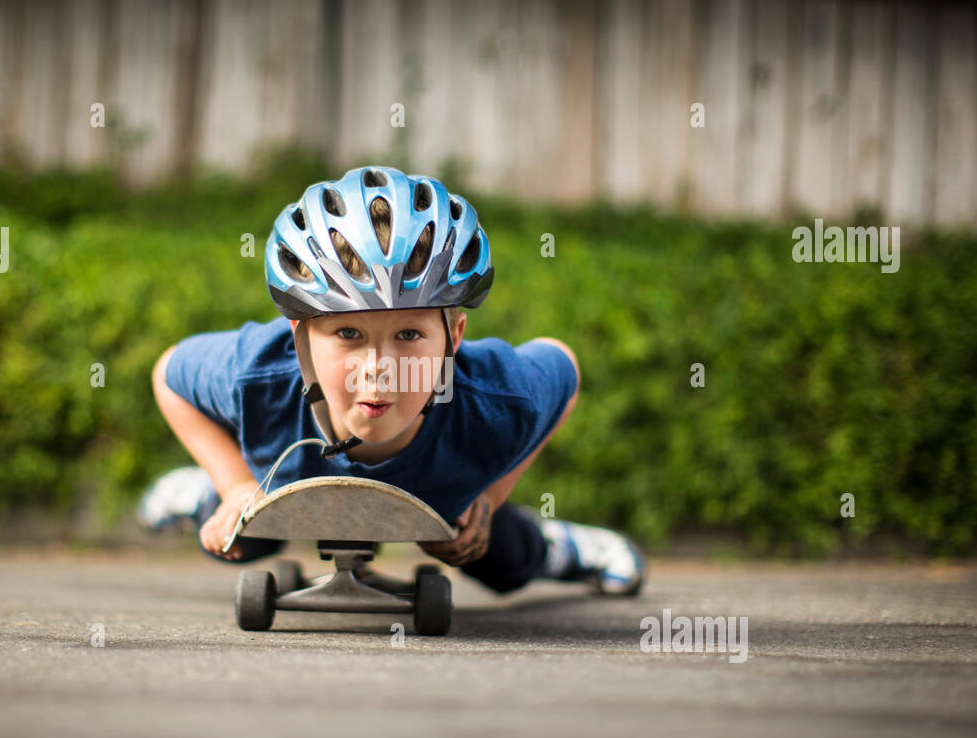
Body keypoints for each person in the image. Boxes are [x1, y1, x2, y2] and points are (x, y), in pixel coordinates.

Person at [139, 166, 644, 596]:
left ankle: (566, 548)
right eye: (348, 333)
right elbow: (168, 376)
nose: (377, 367)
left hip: (435, 495)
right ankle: (203, 492)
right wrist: (234, 485)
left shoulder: (496, 396)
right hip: (288, 481)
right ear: (302, 336)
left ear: (454, 336)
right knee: (244, 537)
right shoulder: (256, 370)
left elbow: (563, 370)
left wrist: (488, 499)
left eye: (408, 333)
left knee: (491, 554)